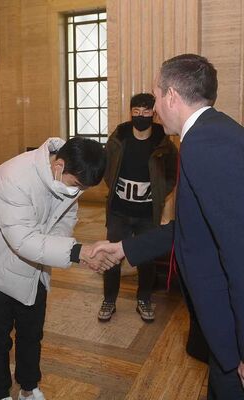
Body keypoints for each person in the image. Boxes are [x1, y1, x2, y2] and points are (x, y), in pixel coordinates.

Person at [93, 54, 244, 399]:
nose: (155, 106)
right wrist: (123, 249)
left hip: (233, 339)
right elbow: (192, 230)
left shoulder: (208, 145)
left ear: (172, 95)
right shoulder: (209, 134)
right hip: (222, 334)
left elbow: (240, 251)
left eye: (157, 95)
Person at [0, 137, 114, 400]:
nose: (77, 191)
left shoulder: (68, 178)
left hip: (36, 267)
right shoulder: (13, 177)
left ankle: (28, 387)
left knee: (32, 333)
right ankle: (0, 392)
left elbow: (66, 218)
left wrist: (54, 244)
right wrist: (78, 252)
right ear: (59, 165)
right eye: (77, 185)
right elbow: (22, 240)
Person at [98, 93, 177, 323]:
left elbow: (173, 172)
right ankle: (109, 299)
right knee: (111, 257)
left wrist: (162, 190)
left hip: (147, 213)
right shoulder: (118, 139)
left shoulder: (163, 143)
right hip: (119, 212)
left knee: (146, 258)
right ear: (130, 112)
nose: (141, 115)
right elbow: (106, 166)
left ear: (153, 112)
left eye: (146, 111)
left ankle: (144, 299)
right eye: (136, 111)